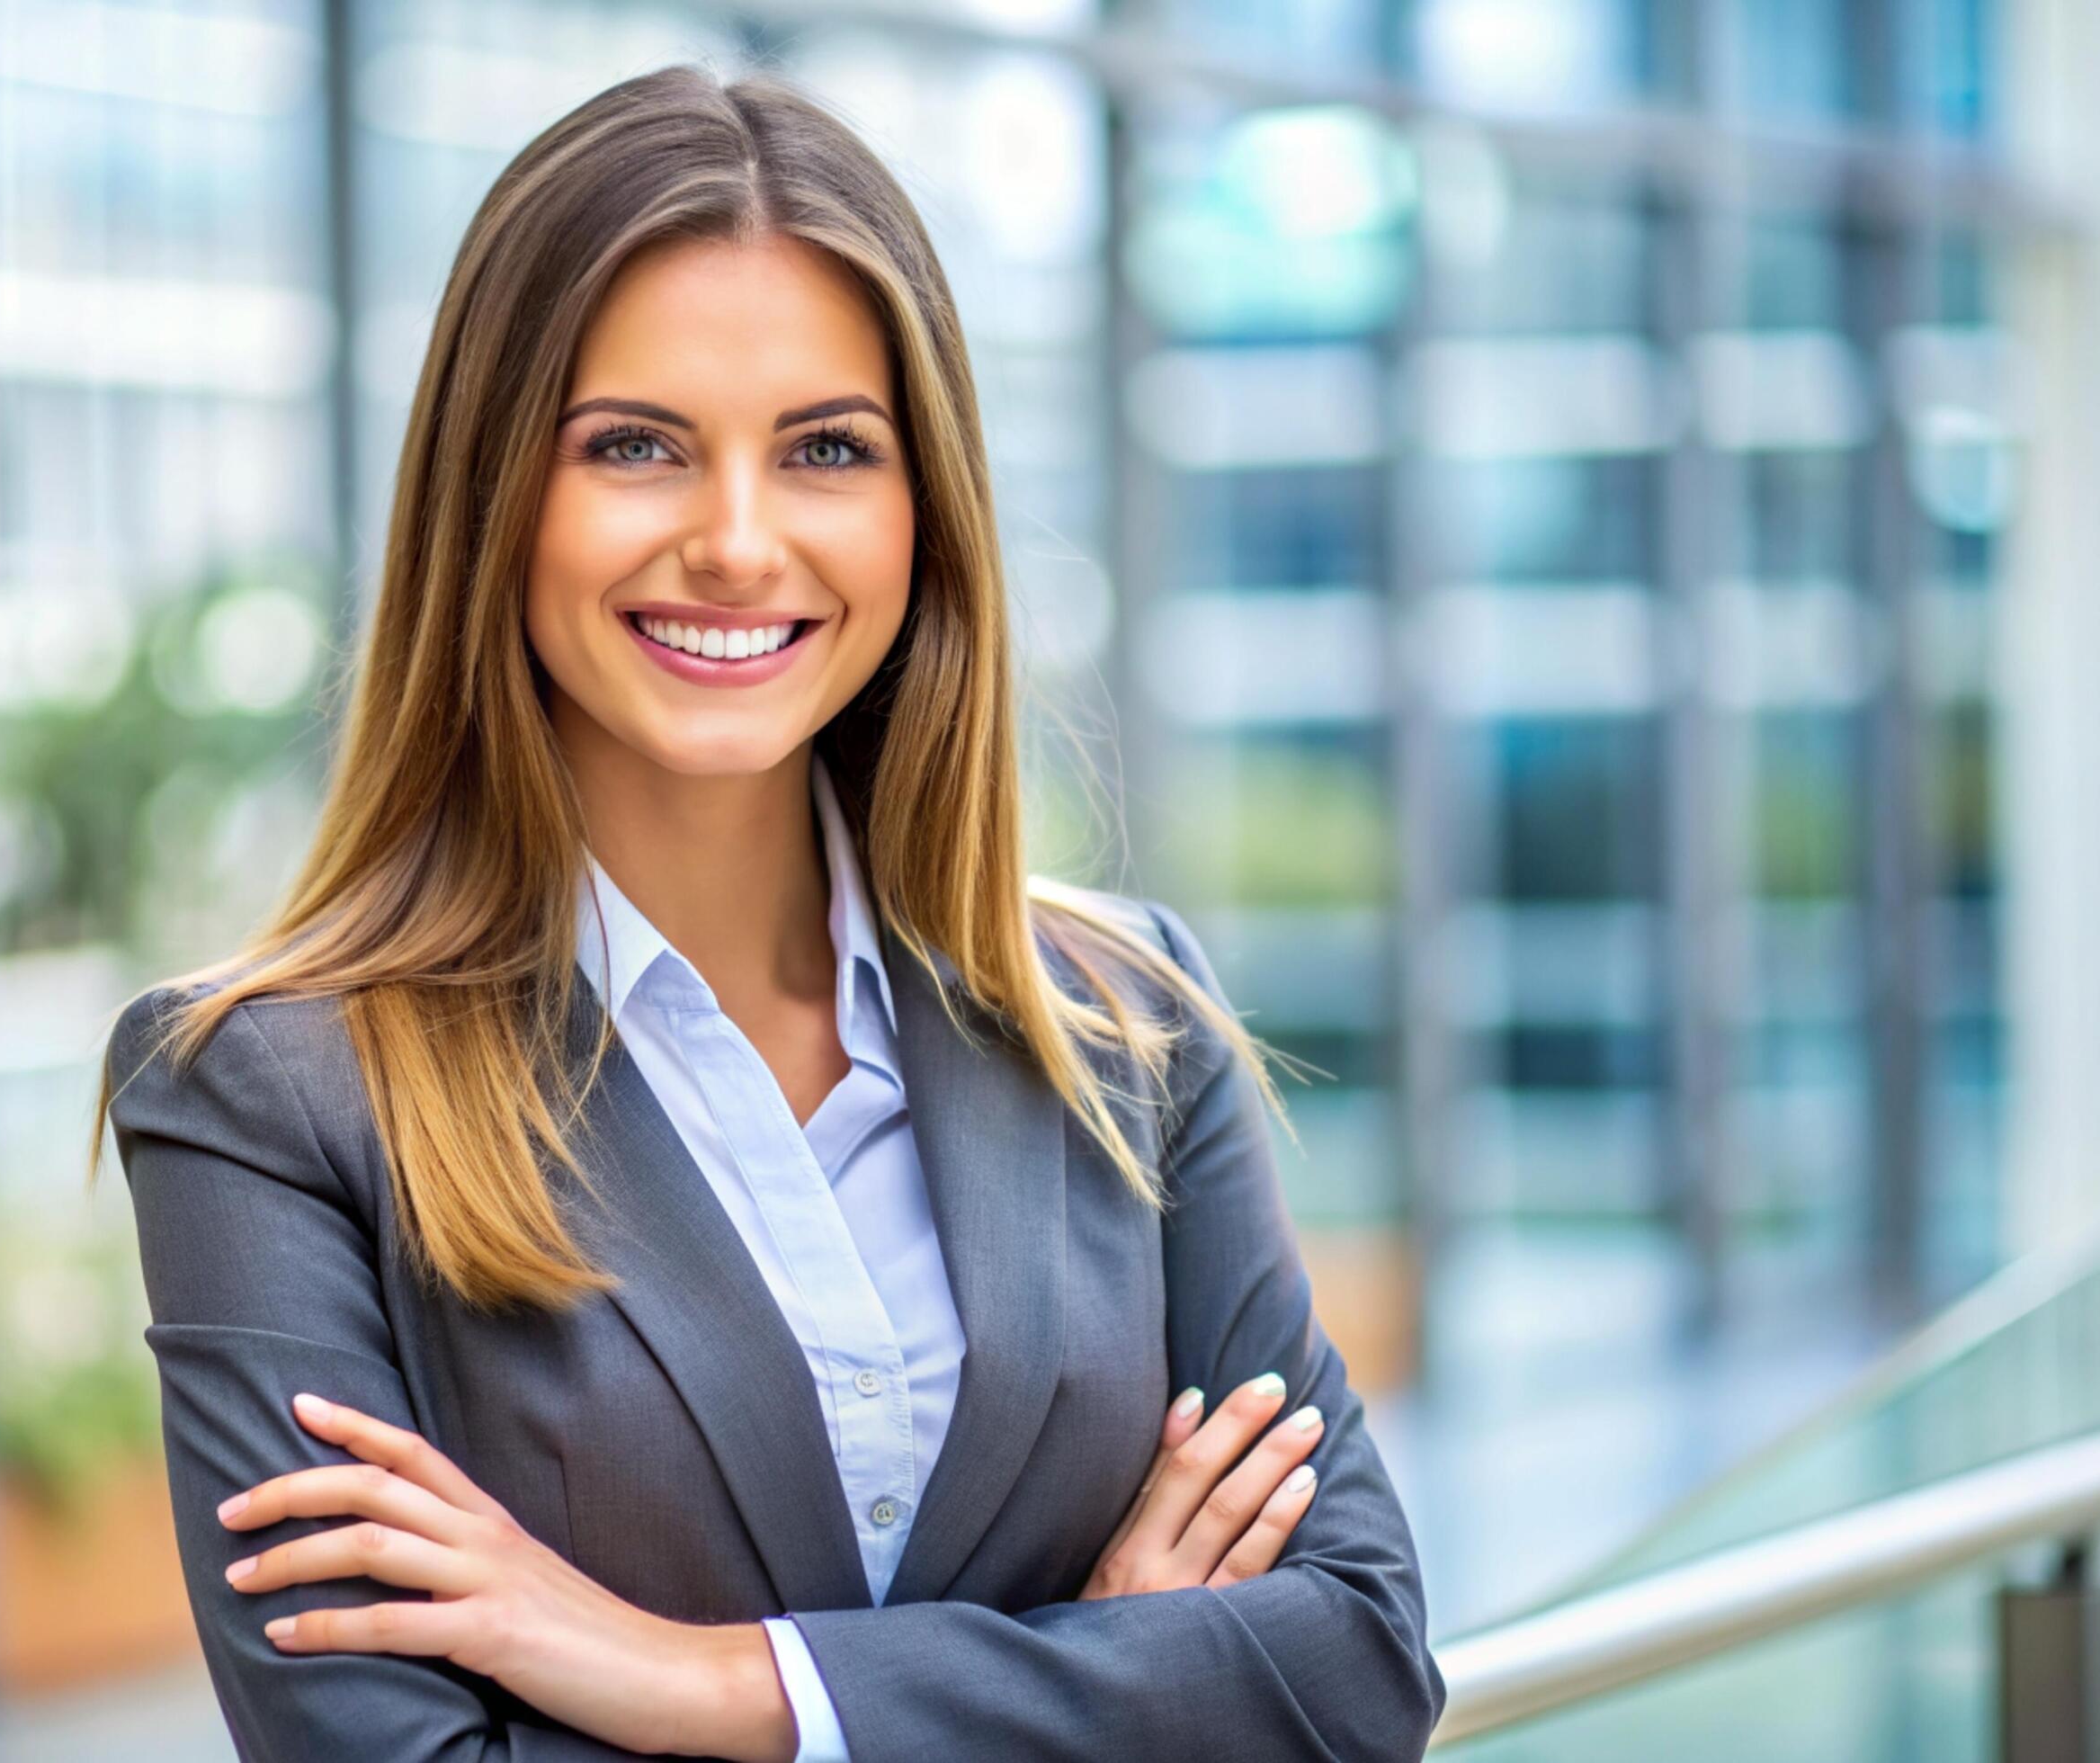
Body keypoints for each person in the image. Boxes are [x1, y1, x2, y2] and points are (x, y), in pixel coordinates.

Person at [97, 65, 1443, 1763]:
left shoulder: (1127, 1018)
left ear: (920, 507)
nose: (738, 542)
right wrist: (1111, 1675)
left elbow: (1361, 1666)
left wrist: (715, 1685)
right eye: (636, 446)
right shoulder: (274, 1095)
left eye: (825, 448)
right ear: (492, 494)